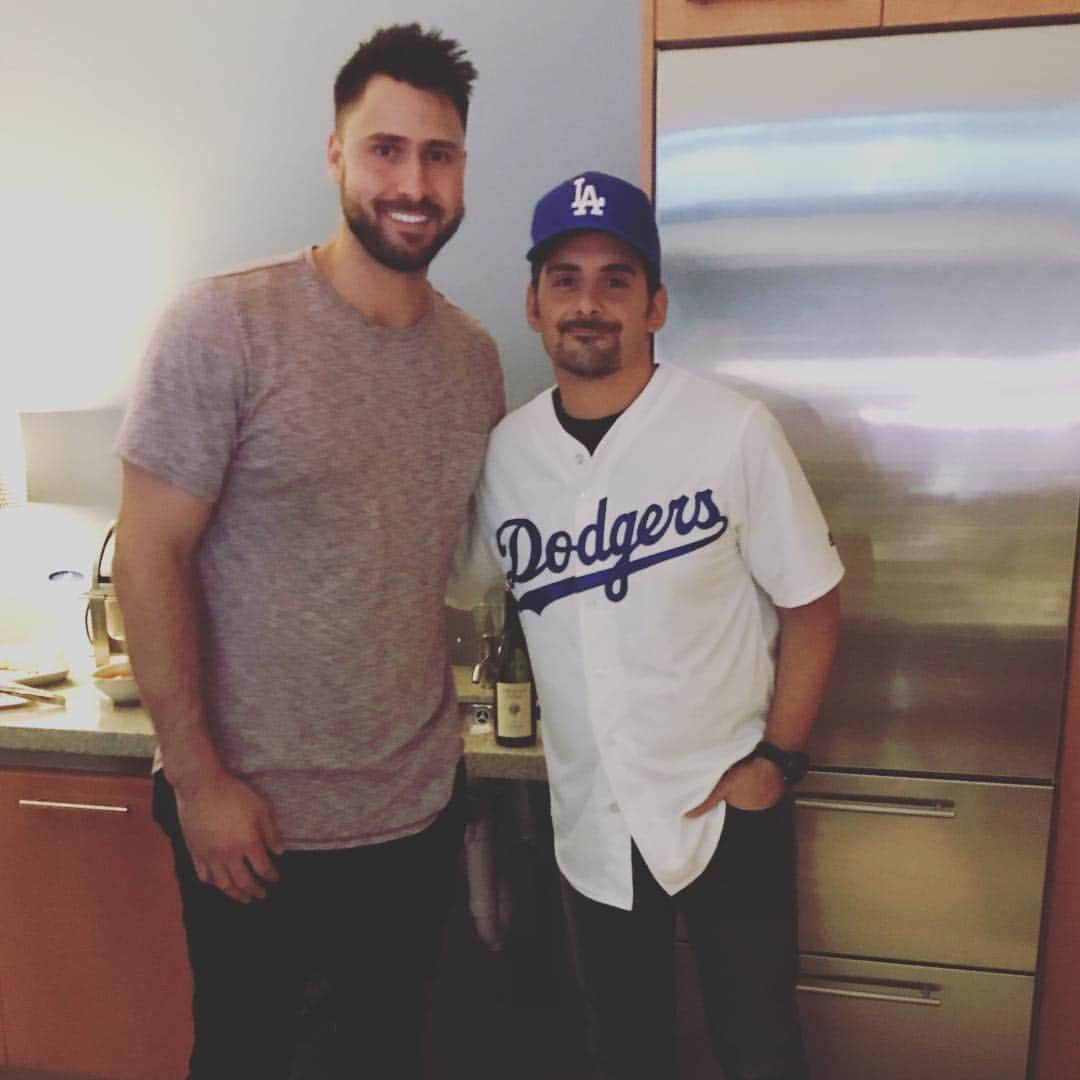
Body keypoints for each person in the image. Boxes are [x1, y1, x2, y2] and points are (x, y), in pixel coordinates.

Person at [112, 23, 504, 1080]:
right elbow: (148, 557)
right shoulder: (225, 328)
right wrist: (196, 781)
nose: (412, 182)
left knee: (391, 1060)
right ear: (336, 153)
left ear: (464, 167)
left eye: (438, 154)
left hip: (414, 814)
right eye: (386, 149)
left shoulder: (472, 361)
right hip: (255, 823)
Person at [469, 172, 842, 1080]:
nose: (588, 303)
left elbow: (814, 604)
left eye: (615, 279)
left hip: (726, 804)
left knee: (761, 1049)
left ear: (656, 304)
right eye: (565, 278)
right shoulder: (505, 455)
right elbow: (462, 587)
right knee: (621, 1050)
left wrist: (777, 762)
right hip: (592, 816)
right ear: (532, 303)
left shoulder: (731, 430)